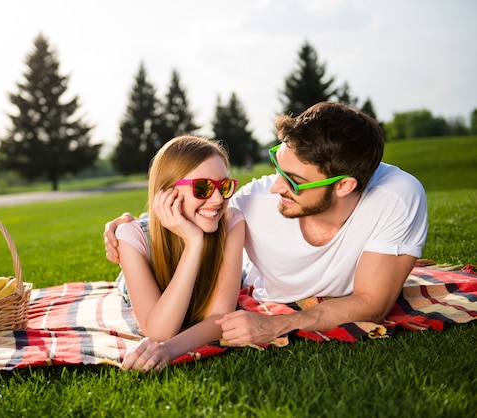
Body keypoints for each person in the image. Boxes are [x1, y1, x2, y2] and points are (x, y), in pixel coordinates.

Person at [105, 102, 428, 347]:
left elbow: (374, 303)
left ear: (343, 186)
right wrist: (130, 227)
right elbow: (186, 211)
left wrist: (274, 325)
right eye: (278, 168)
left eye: (294, 181)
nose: (274, 188)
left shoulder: (396, 197)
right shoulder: (251, 205)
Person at [116, 135, 245, 372]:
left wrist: (170, 349)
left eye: (224, 186)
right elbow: (158, 331)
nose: (218, 199)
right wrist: (194, 243)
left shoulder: (232, 221)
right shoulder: (131, 238)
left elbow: (220, 316)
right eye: (203, 187)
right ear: (167, 193)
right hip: (140, 273)